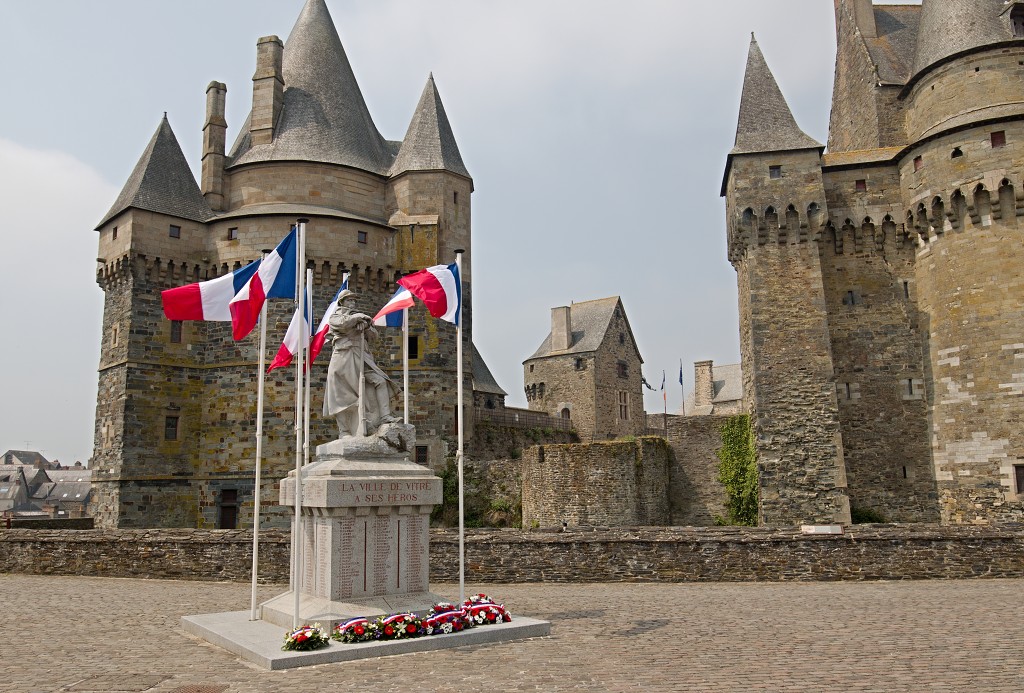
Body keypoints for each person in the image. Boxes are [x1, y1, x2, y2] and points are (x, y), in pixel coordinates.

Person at [322, 290, 401, 437]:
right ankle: (344, 431)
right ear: (342, 302)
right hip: (343, 359)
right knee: (340, 397)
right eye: (349, 300)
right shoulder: (336, 316)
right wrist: (358, 317)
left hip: (361, 357)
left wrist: (367, 326)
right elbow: (342, 324)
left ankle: (385, 416)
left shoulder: (359, 319)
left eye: (353, 300)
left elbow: (374, 337)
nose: (352, 303)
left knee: (380, 381)